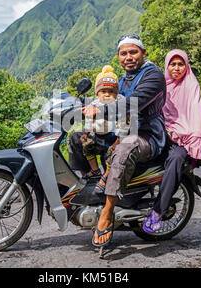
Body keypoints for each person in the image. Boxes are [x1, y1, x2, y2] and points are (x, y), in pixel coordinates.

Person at [70, 34, 168, 247]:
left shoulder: (153, 75)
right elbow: (109, 98)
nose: (128, 57)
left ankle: (107, 212)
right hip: (120, 130)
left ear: (143, 53)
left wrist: (101, 110)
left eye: (133, 52)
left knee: (124, 148)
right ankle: (91, 178)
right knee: (78, 138)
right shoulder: (122, 79)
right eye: (124, 53)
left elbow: (131, 104)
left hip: (147, 135)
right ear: (118, 56)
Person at [142, 49, 201, 233]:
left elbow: (195, 114)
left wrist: (184, 135)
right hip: (160, 135)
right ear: (166, 66)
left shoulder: (191, 86)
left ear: (186, 66)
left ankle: (158, 212)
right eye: (172, 64)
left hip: (183, 140)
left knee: (175, 159)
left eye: (180, 64)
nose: (176, 68)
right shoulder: (161, 86)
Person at [80, 65, 130, 189]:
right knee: (87, 147)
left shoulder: (119, 103)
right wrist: (86, 134)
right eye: (103, 91)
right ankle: (95, 170)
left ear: (116, 93)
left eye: (111, 92)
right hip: (98, 136)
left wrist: (118, 140)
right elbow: (88, 120)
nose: (107, 95)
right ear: (97, 93)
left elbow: (123, 123)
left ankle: (106, 176)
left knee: (111, 156)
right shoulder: (94, 104)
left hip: (113, 137)